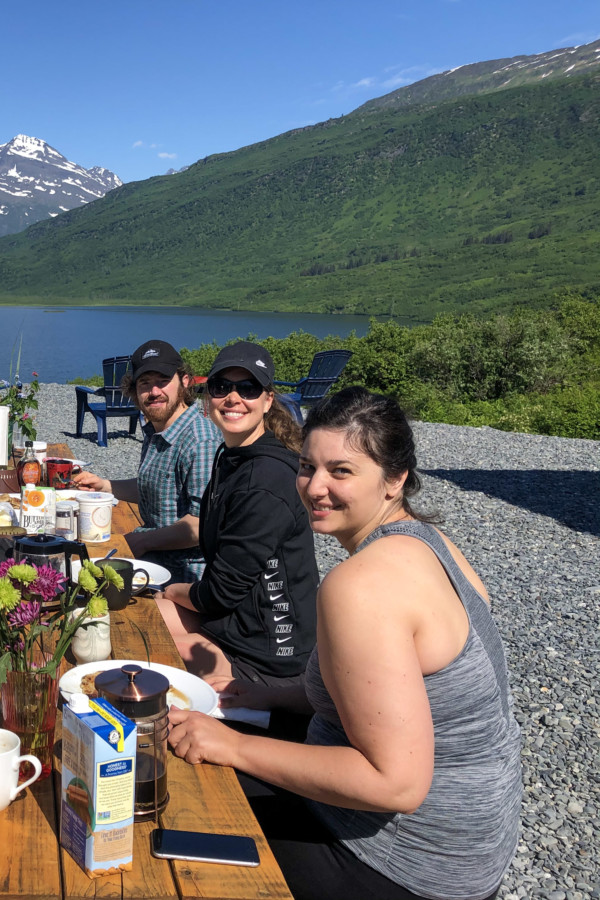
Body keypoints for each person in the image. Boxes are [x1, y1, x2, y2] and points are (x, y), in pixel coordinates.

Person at [165, 387, 522, 900]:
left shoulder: (361, 586)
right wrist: (278, 694)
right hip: (475, 842)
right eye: (308, 466)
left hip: (405, 864)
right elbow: (401, 690)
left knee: (189, 797)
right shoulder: (434, 543)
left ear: (395, 479)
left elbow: (395, 783)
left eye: (342, 471)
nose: (314, 487)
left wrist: (233, 745)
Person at [157, 341, 317, 687]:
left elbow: (220, 593)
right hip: (239, 618)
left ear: (267, 400)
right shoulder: (232, 456)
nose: (233, 397)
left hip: (269, 650)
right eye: (221, 387)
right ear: (207, 397)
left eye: (248, 388)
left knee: (147, 648)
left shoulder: (266, 481)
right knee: (136, 617)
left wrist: (172, 590)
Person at [73, 339, 222, 582]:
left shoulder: (200, 439)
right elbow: (155, 487)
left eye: (163, 381)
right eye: (145, 383)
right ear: (134, 390)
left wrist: (139, 541)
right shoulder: (159, 428)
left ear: (184, 381)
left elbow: (199, 525)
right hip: (154, 557)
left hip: (184, 575)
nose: (154, 392)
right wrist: (105, 486)